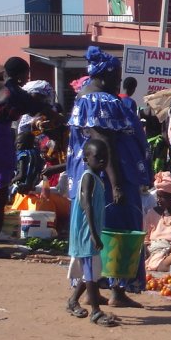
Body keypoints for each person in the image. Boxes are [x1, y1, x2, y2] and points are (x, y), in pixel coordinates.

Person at [67, 46, 151, 307]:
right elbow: (105, 144)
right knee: (117, 232)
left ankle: (94, 291)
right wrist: (116, 184)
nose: (119, 82)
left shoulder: (83, 99)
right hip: (112, 177)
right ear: (105, 77)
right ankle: (116, 290)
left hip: (94, 176)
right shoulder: (101, 101)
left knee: (97, 234)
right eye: (117, 76)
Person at [0, 57, 60, 257]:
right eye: (26, 73)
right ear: (19, 75)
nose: (27, 77)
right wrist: (61, 120)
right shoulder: (18, 95)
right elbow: (43, 110)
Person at [65, 139, 118, 326]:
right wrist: (94, 234)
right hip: (86, 232)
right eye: (98, 157)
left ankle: (72, 301)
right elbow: (86, 204)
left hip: (90, 231)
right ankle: (95, 312)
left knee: (91, 271)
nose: (103, 160)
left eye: (105, 157)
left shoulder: (96, 178)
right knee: (91, 273)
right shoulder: (88, 177)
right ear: (87, 159)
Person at [11, 132, 44, 197]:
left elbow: (21, 175)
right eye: (17, 143)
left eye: (19, 143)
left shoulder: (22, 155)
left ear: (27, 143)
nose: (17, 145)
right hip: (37, 183)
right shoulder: (36, 152)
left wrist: (12, 180)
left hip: (24, 186)